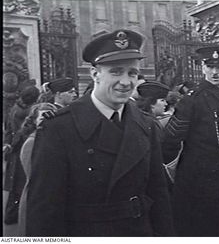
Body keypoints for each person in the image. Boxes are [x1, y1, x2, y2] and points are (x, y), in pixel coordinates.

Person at [25, 29, 174, 237]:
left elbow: (159, 194)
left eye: (132, 73)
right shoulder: (59, 128)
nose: (125, 82)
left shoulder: (145, 124)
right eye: (116, 72)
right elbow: (44, 210)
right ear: (95, 74)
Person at [162, 43, 219, 236]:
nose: (215, 72)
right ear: (203, 68)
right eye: (210, 67)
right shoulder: (192, 99)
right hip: (197, 184)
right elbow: (170, 139)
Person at [17, 102, 58, 236]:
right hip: (36, 200)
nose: (47, 122)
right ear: (34, 121)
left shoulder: (52, 140)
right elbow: (34, 177)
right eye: (42, 118)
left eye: (51, 118)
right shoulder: (32, 143)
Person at [3, 85, 40, 228]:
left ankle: (11, 215)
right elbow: (22, 131)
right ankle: (13, 216)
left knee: (15, 186)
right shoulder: (28, 111)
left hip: (15, 149)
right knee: (21, 184)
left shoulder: (14, 107)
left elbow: (9, 129)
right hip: (22, 148)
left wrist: (8, 144)